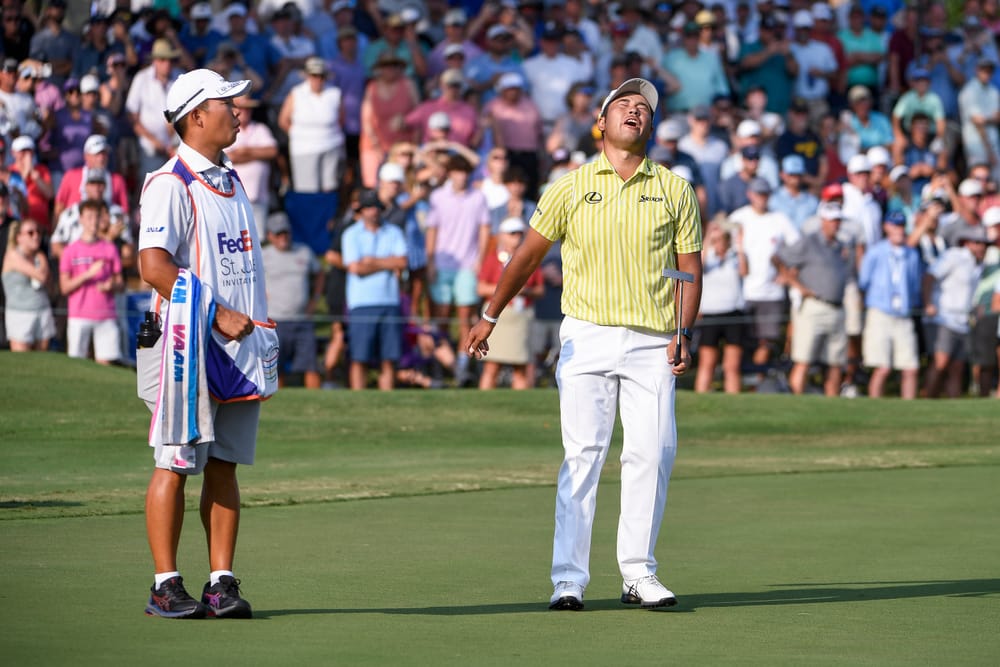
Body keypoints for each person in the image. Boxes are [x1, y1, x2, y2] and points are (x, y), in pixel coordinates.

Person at [464, 78, 703, 611]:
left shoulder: (674, 188)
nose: (635, 112)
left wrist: (684, 332)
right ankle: (568, 579)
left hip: (653, 340)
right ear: (601, 123)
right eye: (624, 104)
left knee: (652, 454)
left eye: (644, 108)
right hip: (586, 335)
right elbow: (526, 255)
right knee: (583, 457)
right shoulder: (570, 187)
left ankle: (638, 574)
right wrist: (490, 314)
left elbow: (689, 269)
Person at [137, 68, 264, 619]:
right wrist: (218, 314)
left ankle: (221, 583)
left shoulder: (231, 178)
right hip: (183, 348)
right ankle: (165, 583)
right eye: (227, 104)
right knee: (175, 461)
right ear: (195, 117)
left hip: (236, 349)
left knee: (225, 465)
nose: (238, 111)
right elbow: (152, 266)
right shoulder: (170, 183)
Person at [774, 201, 851, 396]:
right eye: (832, 220)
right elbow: (778, 258)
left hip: (838, 309)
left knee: (835, 363)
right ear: (822, 221)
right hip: (813, 307)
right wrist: (798, 286)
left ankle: (832, 407)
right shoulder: (809, 241)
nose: (836, 224)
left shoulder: (840, 246)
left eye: (838, 220)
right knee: (803, 359)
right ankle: (796, 405)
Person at [341, 188, 408, 390]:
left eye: (376, 207)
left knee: (389, 358)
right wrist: (388, 263)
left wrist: (372, 261)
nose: (373, 211)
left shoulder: (394, 231)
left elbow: (403, 262)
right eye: (369, 207)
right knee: (359, 357)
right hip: (361, 303)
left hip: (389, 301)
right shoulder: (350, 234)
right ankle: (357, 401)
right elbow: (355, 268)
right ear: (361, 211)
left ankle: (386, 400)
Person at [858, 211, 924, 399]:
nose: (899, 230)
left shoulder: (911, 255)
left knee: (910, 368)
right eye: (894, 225)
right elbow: (864, 282)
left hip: (903, 314)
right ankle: (874, 407)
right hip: (880, 312)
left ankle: (908, 411)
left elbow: (914, 284)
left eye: (902, 225)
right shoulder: (876, 252)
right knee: (882, 368)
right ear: (886, 227)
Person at [476, 216, 544, 390]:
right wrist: (508, 289)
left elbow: (540, 289)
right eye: (512, 234)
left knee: (520, 367)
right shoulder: (493, 259)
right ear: (502, 236)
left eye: (520, 234)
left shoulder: (530, 259)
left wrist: (524, 291)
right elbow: (481, 288)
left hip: (520, 316)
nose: (516, 237)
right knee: (492, 366)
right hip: (499, 316)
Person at [923, 226, 989, 398]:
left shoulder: (979, 265)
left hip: (963, 321)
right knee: (941, 363)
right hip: (943, 317)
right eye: (977, 243)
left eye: (984, 244)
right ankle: (927, 401)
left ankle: (954, 405)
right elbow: (930, 276)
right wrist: (928, 303)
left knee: (958, 367)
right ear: (966, 243)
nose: (981, 247)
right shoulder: (954, 256)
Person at [261, 211, 323, 389]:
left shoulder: (304, 251)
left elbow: (319, 274)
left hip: (303, 320)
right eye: (278, 233)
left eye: (285, 232)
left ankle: (317, 405)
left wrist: (315, 299)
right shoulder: (264, 255)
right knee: (276, 368)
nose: (283, 237)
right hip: (275, 320)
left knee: (311, 366)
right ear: (270, 236)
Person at [59, 198, 122, 364]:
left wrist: (111, 285)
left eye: (97, 217)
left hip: (106, 314)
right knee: (76, 365)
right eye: (89, 217)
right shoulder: (70, 251)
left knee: (106, 365)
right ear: (80, 219)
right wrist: (88, 274)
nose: (93, 221)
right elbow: (64, 288)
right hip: (79, 315)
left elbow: (120, 282)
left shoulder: (109, 248)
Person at [277, 57, 345, 194]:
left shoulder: (334, 93)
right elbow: (283, 120)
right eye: (314, 75)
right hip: (304, 148)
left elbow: (341, 119)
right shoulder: (296, 93)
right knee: (307, 188)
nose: (318, 79)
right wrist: (299, 135)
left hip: (331, 145)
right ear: (308, 76)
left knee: (330, 186)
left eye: (321, 76)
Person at [695, 222, 745, 394]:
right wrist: (708, 236)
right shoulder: (707, 259)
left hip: (734, 314)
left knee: (732, 365)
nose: (718, 244)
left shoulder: (734, 257)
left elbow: (745, 271)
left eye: (720, 239)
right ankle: (701, 398)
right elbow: (698, 265)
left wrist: (739, 244)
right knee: (707, 363)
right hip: (711, 315)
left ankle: (734, 400)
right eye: (715, 240)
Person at [2, 218, 54, 351]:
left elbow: (49, 283)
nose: (36, 236)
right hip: (20, 315)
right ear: (19, 237)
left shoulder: (39, 256)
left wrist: (41, 257)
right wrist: (42, 259)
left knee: (42, 362)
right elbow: (41, 276)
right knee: (22, 361)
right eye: (30, 233)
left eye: (38, 232)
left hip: (42, 311)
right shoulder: (13, 255)